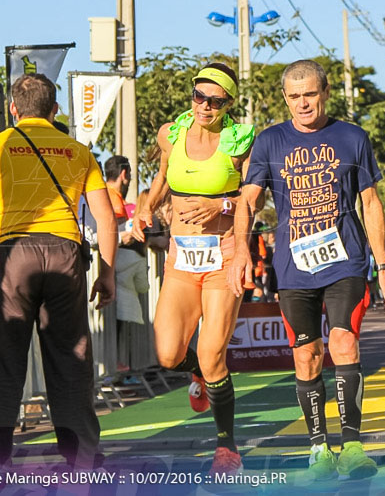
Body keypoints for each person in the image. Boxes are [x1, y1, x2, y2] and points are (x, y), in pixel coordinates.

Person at [232, 59, 385, 483]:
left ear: (324, 93)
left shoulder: (351, 137)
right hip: (294, 266)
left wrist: (384, 266)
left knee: (343, 342)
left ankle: (353, 446)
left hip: (346, 259)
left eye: (309, 94)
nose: (302, 103)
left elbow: (371, 202)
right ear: (285, 98)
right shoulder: (270, 141)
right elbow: (248, 200)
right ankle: (318, 449)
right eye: (294, 96)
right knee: (306, 356)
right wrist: (240, 253)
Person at [0, 73, 117, 470]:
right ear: (55, 110)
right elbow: (105, 219)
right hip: (65, 254)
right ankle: (82, 460)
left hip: (11, 256)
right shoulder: (78, 150)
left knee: (0, 361)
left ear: (13, 109)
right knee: (70, 362)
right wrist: (106, 274)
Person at [132, 63, 254, 475]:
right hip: (182, 257)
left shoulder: (240, 141)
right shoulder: (171, 133)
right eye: (199, 96)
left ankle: (227, 447)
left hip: (223, 254)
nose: (204, 105)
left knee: (212, 350)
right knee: (168, 354)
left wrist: (218, 204)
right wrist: (146, 207)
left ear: (228, 104)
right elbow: (163, 176)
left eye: (215, 100)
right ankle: (198, 375)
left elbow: (253, 200)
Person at [104, 158, 149, 375]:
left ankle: (118, 366)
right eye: (130, 174)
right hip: (109, 270)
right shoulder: (110, 197)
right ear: (124, 173)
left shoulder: (114, 197)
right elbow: (108, 232)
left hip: (112, 270)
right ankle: (114, 367)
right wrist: (125, 237)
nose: (130, 179)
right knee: (115, 323)